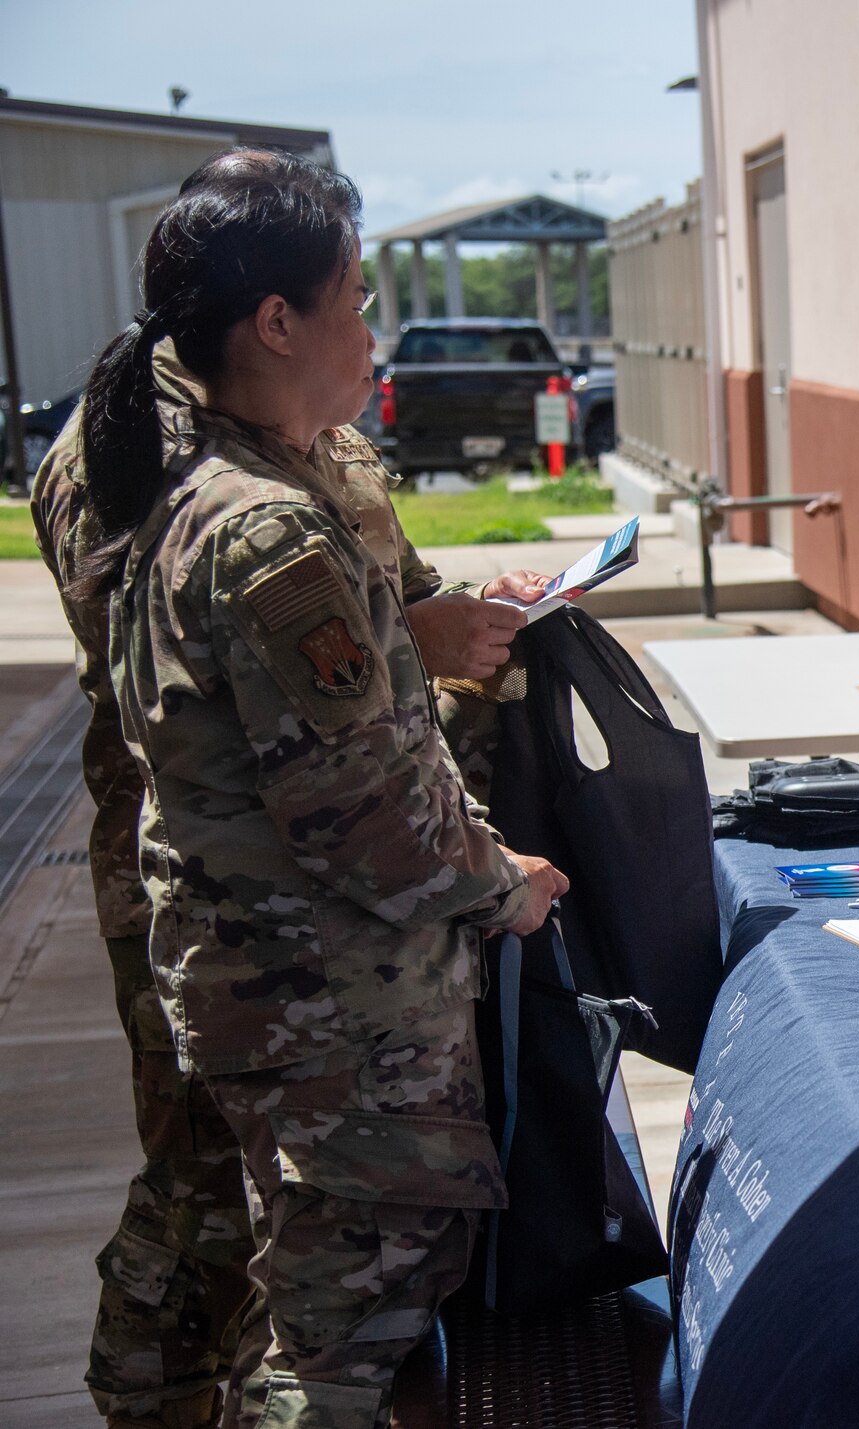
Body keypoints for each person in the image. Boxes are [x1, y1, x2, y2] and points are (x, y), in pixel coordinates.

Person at [33, 147, 550, 1428]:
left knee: (317, 1291)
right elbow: (365, 813)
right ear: (274, 321)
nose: (373, 330)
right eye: (359, 298)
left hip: (293, 978)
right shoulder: (249, 517)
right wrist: (500, 883)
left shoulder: (240, 477)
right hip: (323, 996)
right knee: (329, 1334)